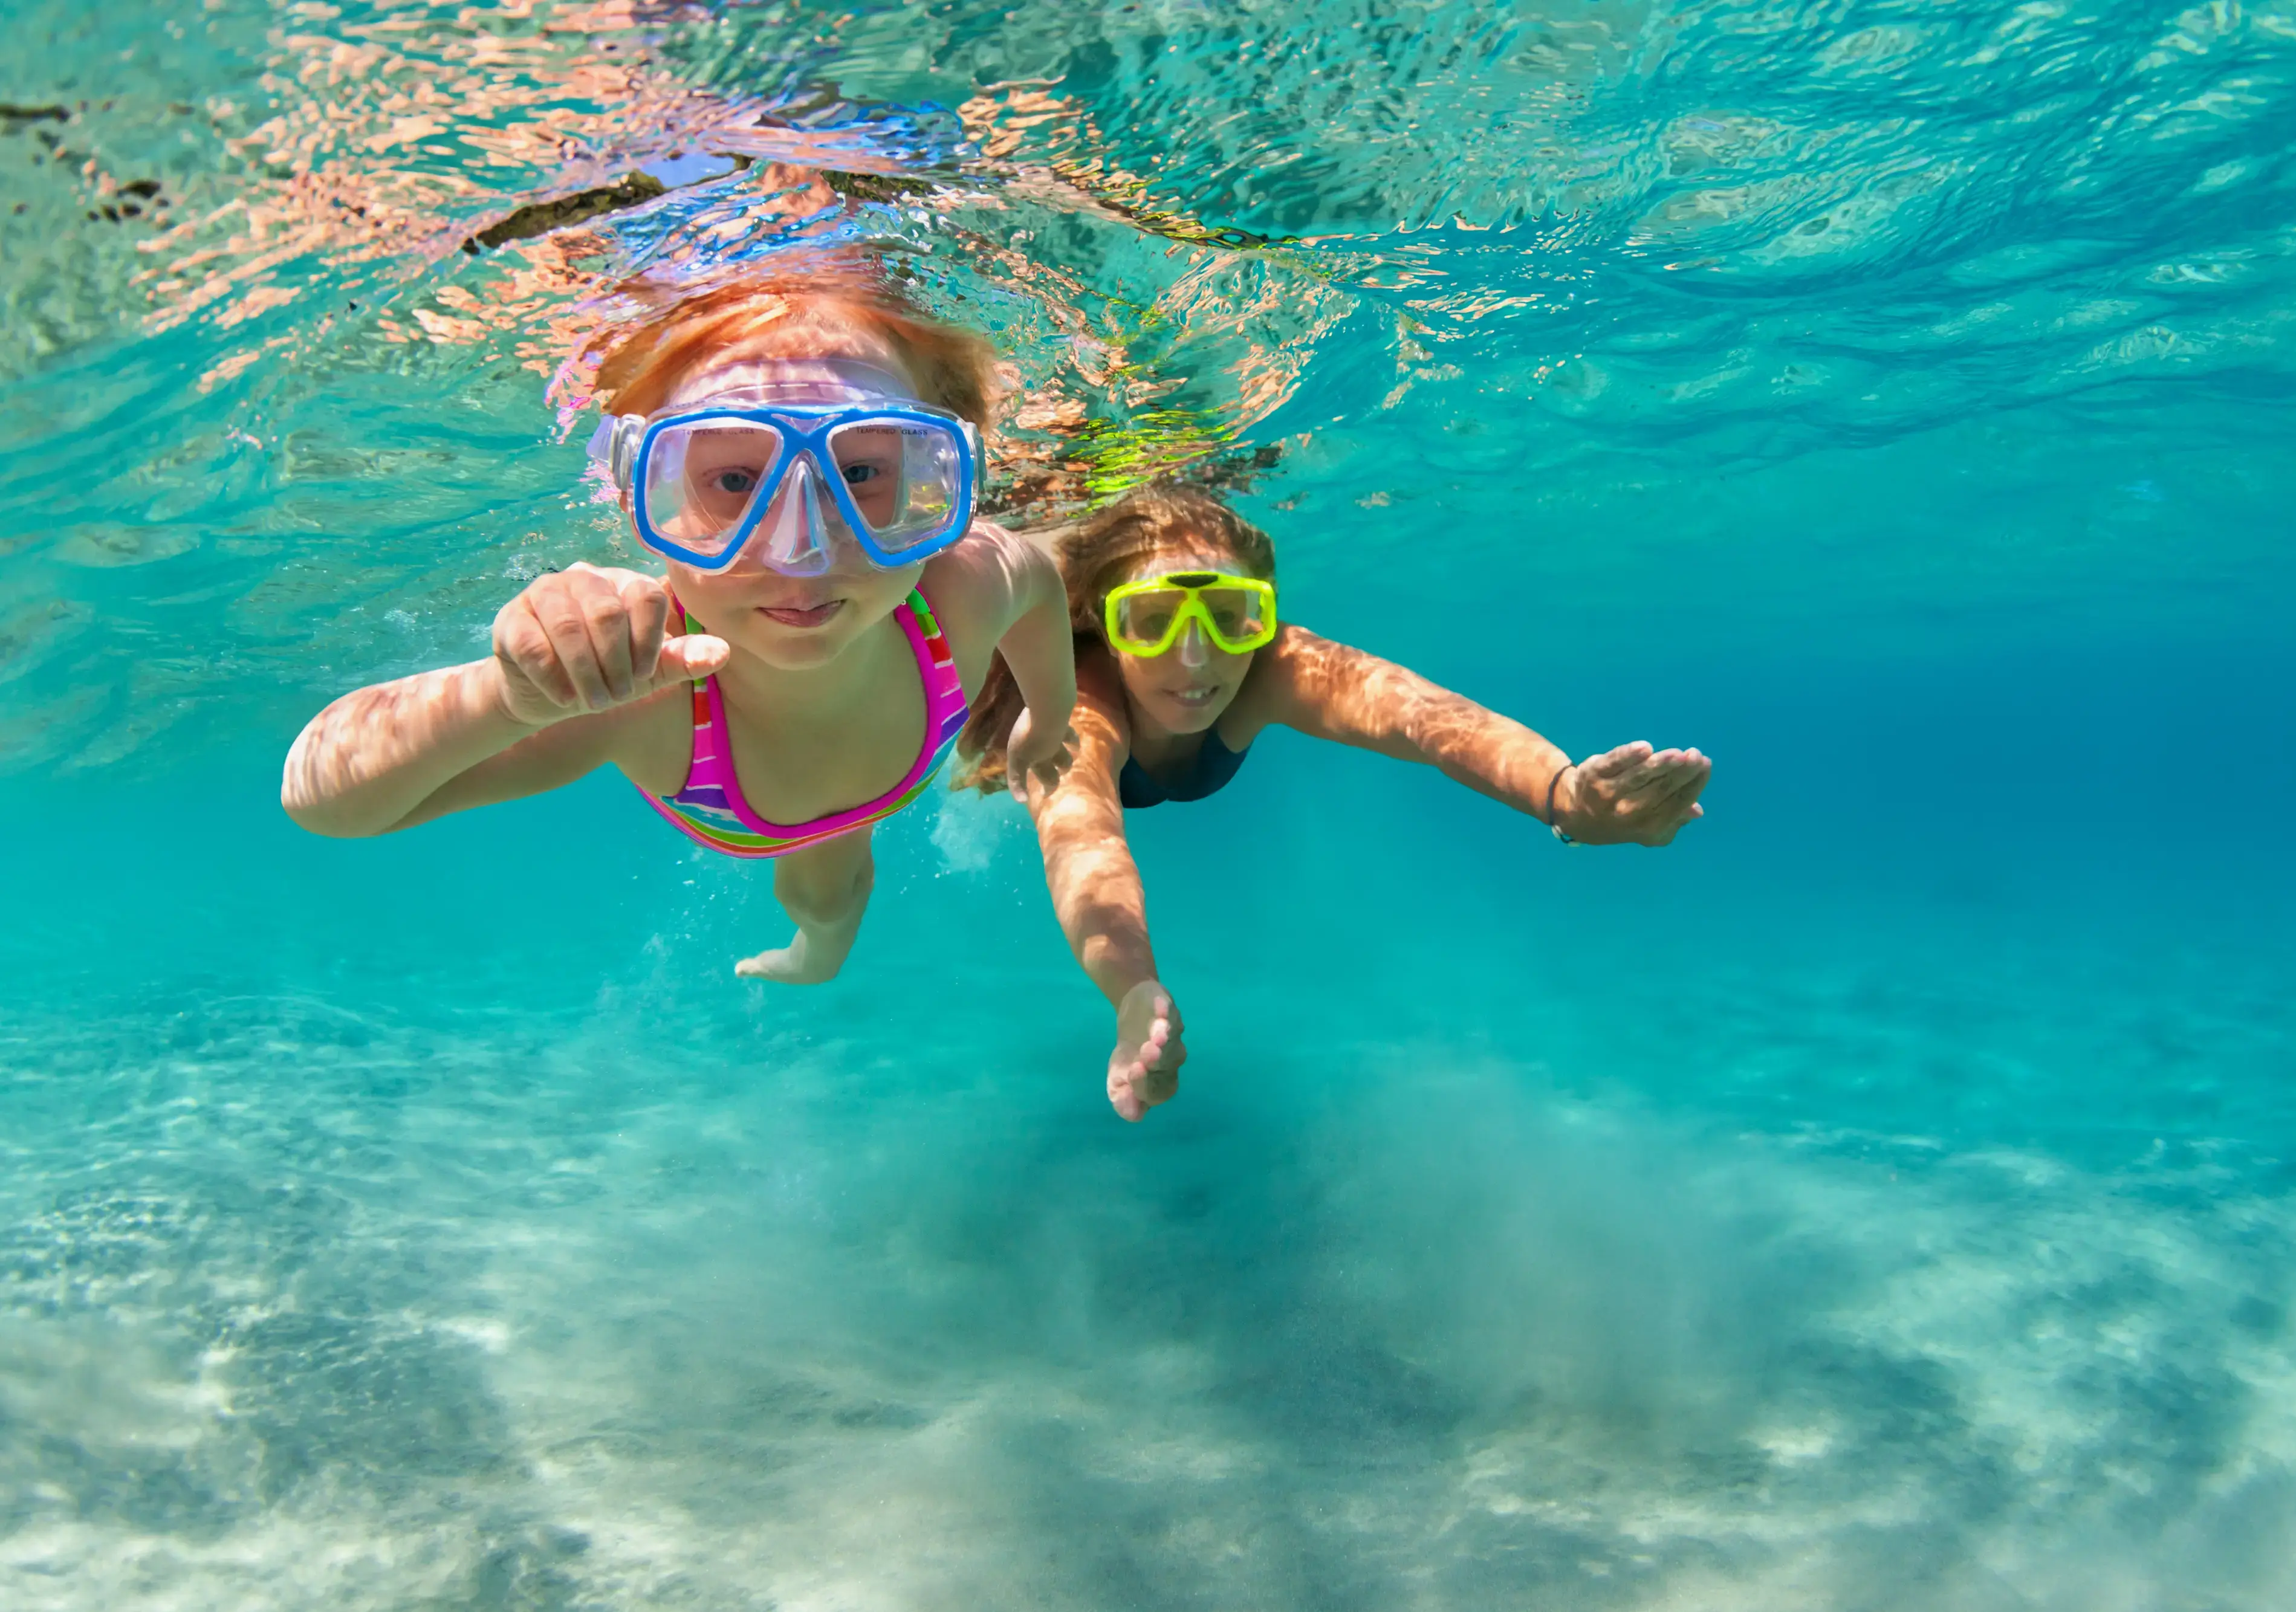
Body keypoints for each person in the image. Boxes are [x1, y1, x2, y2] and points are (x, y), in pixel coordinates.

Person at [284, 268, 1077, 983]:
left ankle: (817, 956)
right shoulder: (638, 680)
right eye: (734, 480)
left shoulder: (964, 584)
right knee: (821, 886)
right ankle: (815, 953)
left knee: (834, 888)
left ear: (935, 473)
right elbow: (324, 801)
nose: (801, 550)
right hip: (740, 803)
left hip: (868, 799)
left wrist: (1045, 718)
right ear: (645, 493)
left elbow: (1041, 592)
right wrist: (512, 696)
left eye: (862, 471)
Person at [957, 484, 1710, 1121]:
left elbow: (1425, 719)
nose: (1196, 657)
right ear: (1107, 627)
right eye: (1152, 621)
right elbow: (1085, 842)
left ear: (1265, 617)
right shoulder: (1077, 707)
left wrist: (1563, 796)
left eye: (1230, 616)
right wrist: (1129, 991)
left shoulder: (1274, 668)